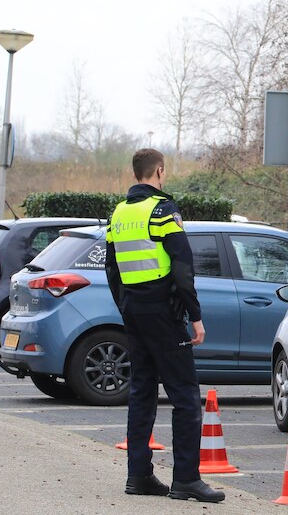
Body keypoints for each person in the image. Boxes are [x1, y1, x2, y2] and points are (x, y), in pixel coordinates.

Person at [105, 149, 224, 503]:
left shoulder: (119, 213)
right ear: (159, 171)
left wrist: (125, 307)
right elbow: (183, 267)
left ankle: (139, 475)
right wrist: (195, 317)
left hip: (135, 312)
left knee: (142, 391)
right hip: (164, 313)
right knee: (185, 395)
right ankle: (186, 479)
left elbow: (112, 269)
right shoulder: (162, 210)